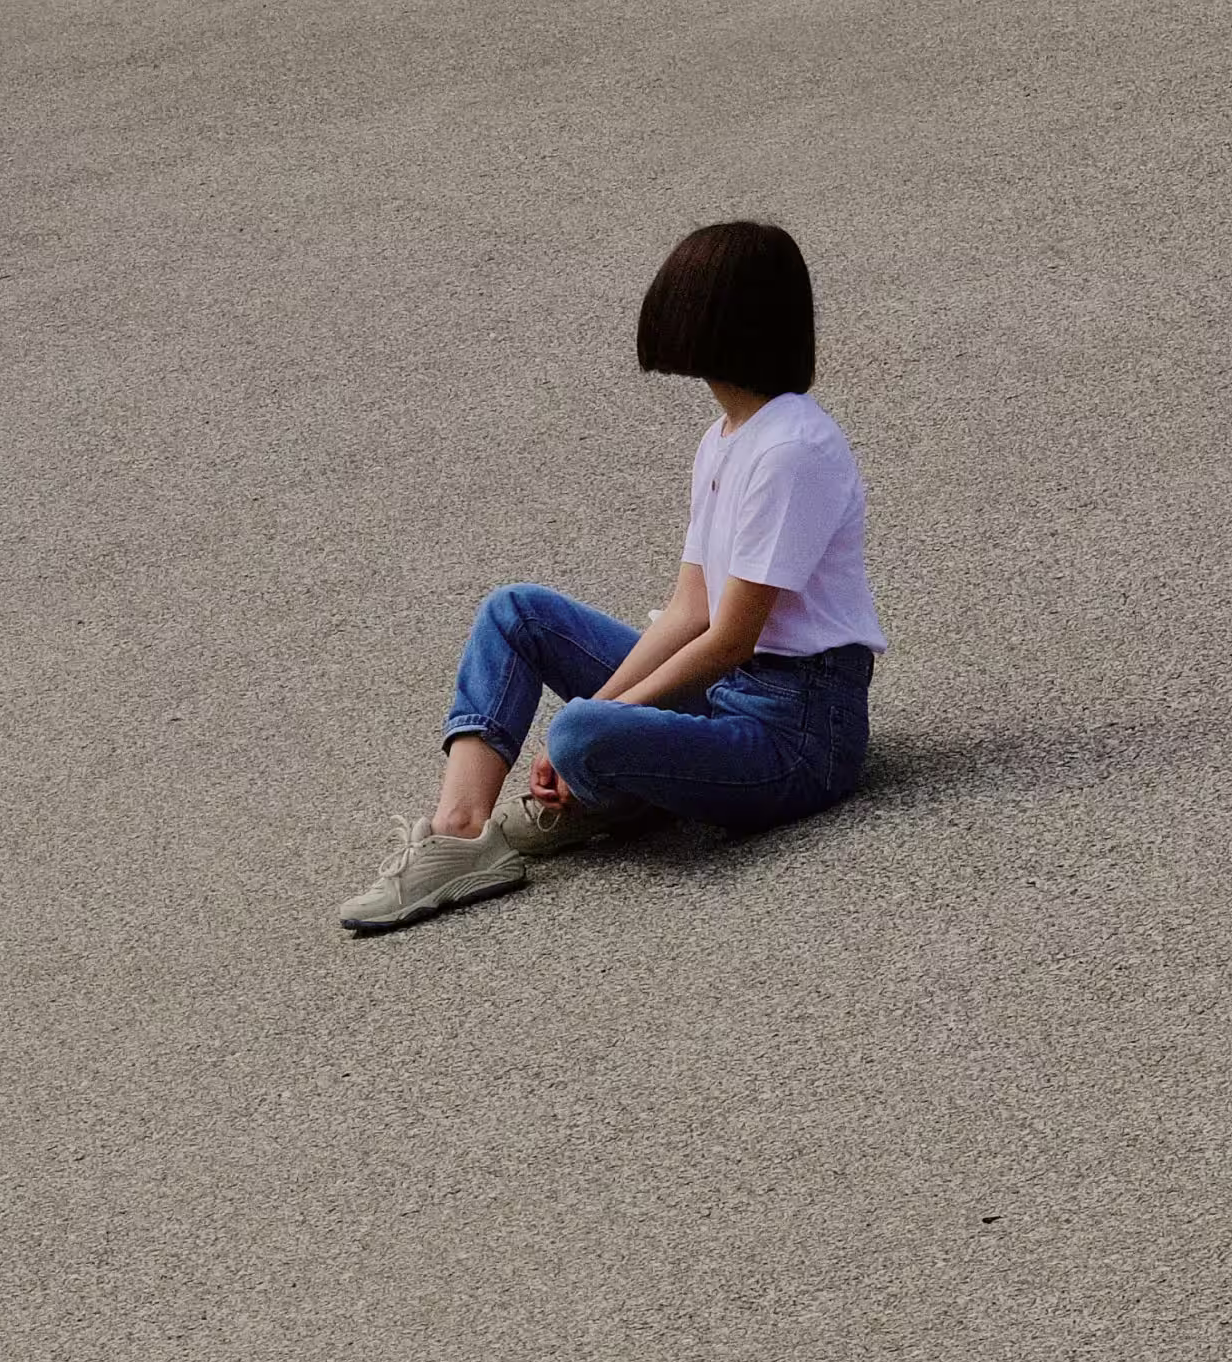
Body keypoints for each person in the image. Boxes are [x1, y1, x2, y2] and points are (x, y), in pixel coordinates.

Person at [340, 220, 889, 933]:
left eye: (680, 296)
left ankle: (623, 782)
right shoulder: (726, 437)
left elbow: (731, 638)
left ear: (719, 319)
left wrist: (590, 725)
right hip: (728, 692)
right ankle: (459, 836)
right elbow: (690, 609)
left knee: (583, 735)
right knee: (517, 614)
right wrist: (600, 709)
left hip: (801, 734)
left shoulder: (793, 449)